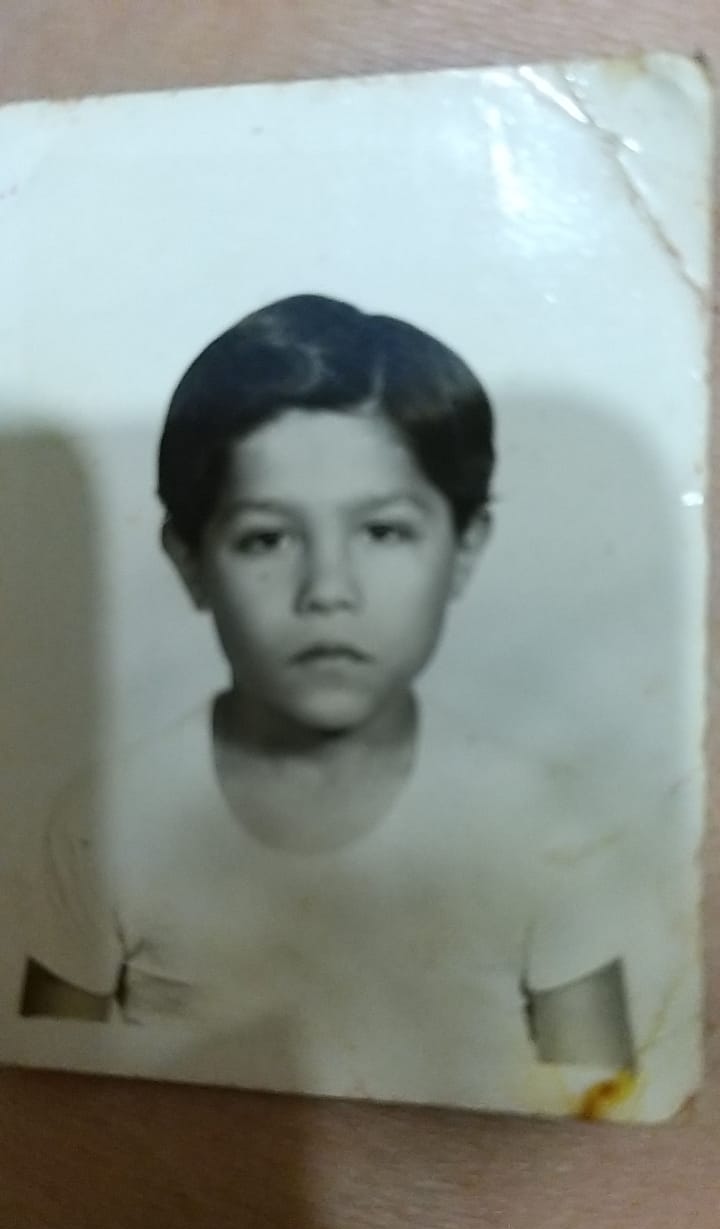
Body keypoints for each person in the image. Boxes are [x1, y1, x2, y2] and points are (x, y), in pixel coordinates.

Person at [20, 294, 633, 1112]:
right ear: (191, 560)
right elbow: (45, 1111)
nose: (328, 590)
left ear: (465, 546)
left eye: (382, 531)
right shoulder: (112, 815)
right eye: (266, 538)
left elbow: (602, 1114)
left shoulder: (545, 821)